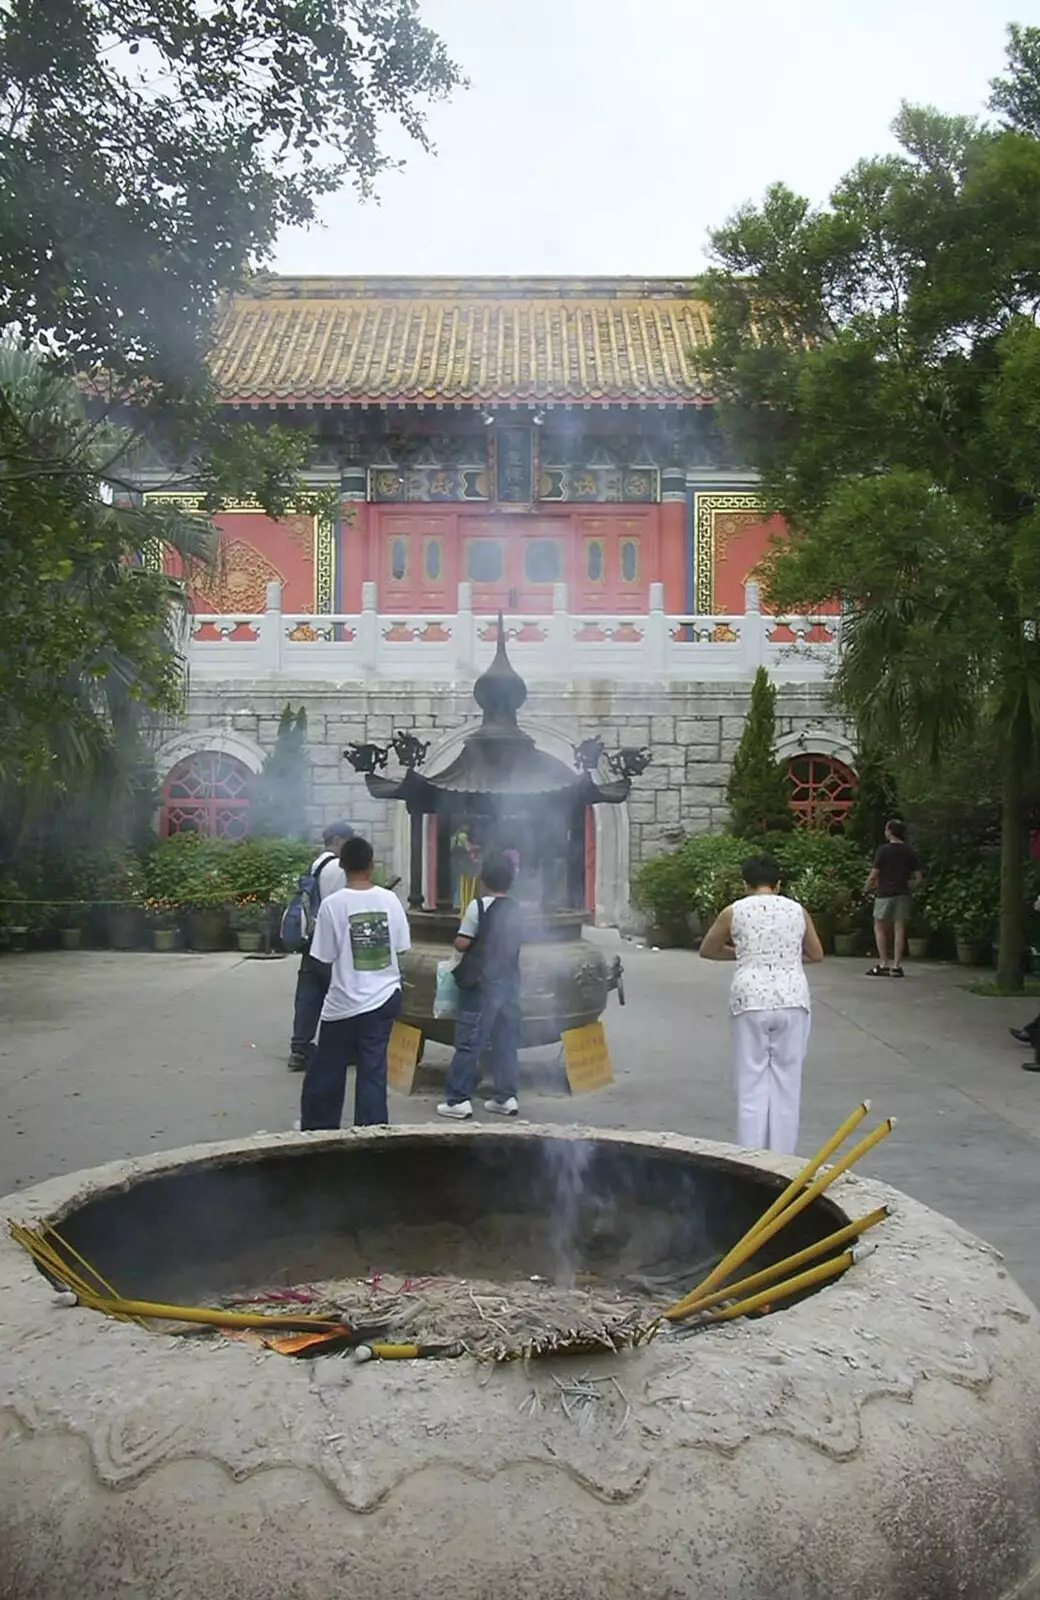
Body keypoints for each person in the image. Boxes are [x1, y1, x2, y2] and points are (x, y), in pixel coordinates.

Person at [699, 854, 825, 1155]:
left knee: (751, 1081)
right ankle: (783, 1160)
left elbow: (708, 949)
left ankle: (750, 1159)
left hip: (750, 999)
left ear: (745, 884)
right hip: (793, 999)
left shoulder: (734, 911)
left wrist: (743, 954)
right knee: (787, 1081)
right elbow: (816, 954)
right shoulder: (797, 911)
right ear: (778, 884)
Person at [299, 836, 411, 1129]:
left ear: (342, 865)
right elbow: (401, 946)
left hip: (344, 1001)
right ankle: (372, 1131)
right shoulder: (390, 900)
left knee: (328, 1068)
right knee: (373, 1068)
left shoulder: (332, 906)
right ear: (371, 864)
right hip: (385, 996)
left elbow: (322, 956)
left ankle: (320, 1129)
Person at [437, 851, 524, 1122]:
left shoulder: (479, 906)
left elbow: (462, 942)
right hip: (509, 983)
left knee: (469, 1042)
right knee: (505, 1041)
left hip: (481, 983)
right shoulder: (516, 908)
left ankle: (458, 1099)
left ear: (483, 879)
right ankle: (505, 1096)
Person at [287, 822, 353, 1071]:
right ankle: (341, 1049)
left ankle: (300, 1049)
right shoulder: (338, 867)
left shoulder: (315, 865)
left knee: (308, 996)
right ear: (337, 840)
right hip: (332, 941)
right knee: (341, 993)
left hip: (310, 938)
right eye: (348, 840)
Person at [864, 819, 922, 978]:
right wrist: (909, 886)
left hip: (884, 893)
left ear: (889, 831)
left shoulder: (883, 851)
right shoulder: (909, 851)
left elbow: (874, 874)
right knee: (899, 928)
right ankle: (896, 966)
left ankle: (883, 963)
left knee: (880, 927)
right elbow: (918, 877)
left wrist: (867, 888)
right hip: (902, 893)